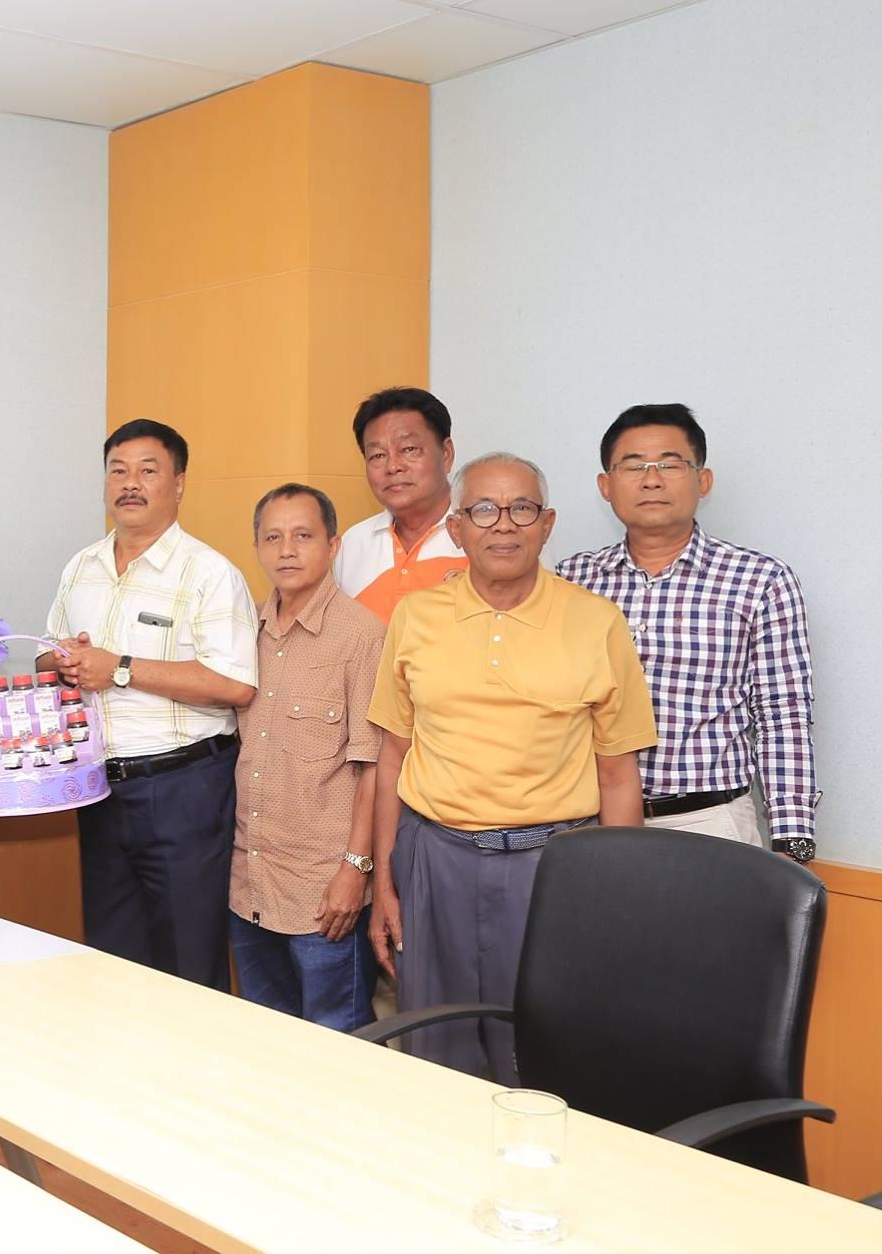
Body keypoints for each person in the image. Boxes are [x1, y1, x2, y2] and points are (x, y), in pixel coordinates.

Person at [366, 452, 654, 1083]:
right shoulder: (416, 616)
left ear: (547, 524)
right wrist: (384, 882)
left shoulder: (596, 622)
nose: (503, 524)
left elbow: (617, 774)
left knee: (543, 1059)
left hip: (550, 868)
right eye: (483, 510)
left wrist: (614, 900)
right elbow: (392, 755)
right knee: (433, 1054)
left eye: (522, 508)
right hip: (433, 860)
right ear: (457, 528)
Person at [42, 419, 258, 990]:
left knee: (188, 964)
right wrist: (63, 662)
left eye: (147, 470)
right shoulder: (81, 567)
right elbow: (50, 654)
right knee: (113, 962)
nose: (130, 483)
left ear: (179, 483)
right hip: (98, 788)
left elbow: (235, 684)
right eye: (118, 470)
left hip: (183, 789)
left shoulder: (209, 573)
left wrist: (119, 667)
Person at [557, 404, 819, 863]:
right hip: (587, 820)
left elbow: (784, 713)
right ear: (605, 485)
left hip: (709, 822)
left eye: (670, 464)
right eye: (633, 465)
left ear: (703, 480)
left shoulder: (760, 580)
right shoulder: (571, 580)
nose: (651, 480)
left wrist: (791, 841)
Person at [229, 484, 386, 1031]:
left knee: (337, 1039)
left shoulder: (362, 635)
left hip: (324, 889)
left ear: (333, 545)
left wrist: (356, 869)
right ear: (256, 547)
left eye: (303, 536)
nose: (287, 550)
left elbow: (373, 766)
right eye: (273, 538)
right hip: (249, 880)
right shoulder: (244, 632)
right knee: (267, 1038)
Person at [336, 387, 466, 622]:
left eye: (408, 449)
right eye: (378, 455)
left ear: (446, 454)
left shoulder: (485, 534)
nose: (393, 466)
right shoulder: (352, 544)